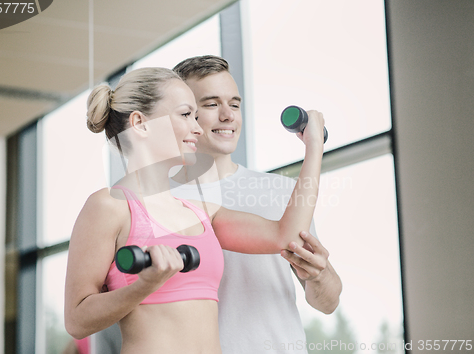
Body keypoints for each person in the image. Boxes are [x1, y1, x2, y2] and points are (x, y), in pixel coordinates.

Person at [64, 66, 327, 354]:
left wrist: (313, 149)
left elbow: (285, 236)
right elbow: (77, 320)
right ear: (140, 123)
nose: (198, 128)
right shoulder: (109, 206)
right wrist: (143, 287)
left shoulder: (201, 211)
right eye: (186, 114)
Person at [169, 55, 343, 353]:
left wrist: (320, 274)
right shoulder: (161, 201)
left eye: (234, 104)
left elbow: (326, 303)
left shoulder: (282, 192)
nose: (228, 115)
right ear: (184, 114)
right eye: (211, 104)